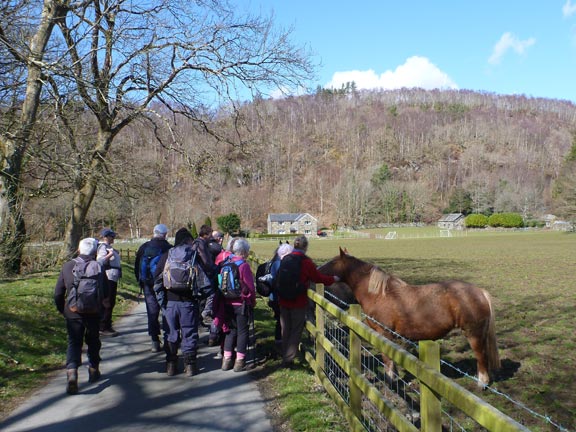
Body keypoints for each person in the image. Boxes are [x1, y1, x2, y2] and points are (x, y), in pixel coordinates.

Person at [54, 237, 108, 395]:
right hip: (93, 312)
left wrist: (62, 310)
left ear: (78, 249)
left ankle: (72, 372)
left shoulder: (68, 266)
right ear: (94, 252)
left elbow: (58, 293)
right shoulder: (98, 267)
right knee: (93, 340)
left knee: (74, 342)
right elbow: (104, 292)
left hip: (73, 311)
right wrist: (102, 310)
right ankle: (93, 369)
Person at [278, 235, 339, 368]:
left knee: (285, 329)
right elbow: (318, 278)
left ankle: (284, 355)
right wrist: (333, 279)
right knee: (296, 330)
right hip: (298, 301)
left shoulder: (285, 259)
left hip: (283, 300)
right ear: (306, 247)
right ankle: (288, 360)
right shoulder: (306, 262)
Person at [153, 228, 200, 377]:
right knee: (189, 333)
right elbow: (203, 282)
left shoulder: (167, 256)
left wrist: (162, 302)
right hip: (189, 303)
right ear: (187, 240)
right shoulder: (193, 256)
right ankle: (190, 366)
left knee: (170, 334)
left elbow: (157, 281)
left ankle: (171, 365)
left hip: (170, 303)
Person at [220, 238, 256, 372]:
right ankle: (239, 362)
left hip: (227, 302)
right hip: (241, 303)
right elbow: (250, 286)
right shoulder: (244, 265)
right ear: (244, 251)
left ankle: (226, 360)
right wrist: (252, 301)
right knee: (242, 332)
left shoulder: (226, 264)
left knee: (230, 331)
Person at [134, 224, 172, 352]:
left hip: (148, 284)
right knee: (167, 310)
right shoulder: (168, 248)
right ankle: (169, 338)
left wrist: (141, 282)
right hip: (164, 284)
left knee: (152, 312)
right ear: (165, 234)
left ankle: (154, 340)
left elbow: (137, 266)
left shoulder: (144, 247)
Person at [267, 242, 293, 357]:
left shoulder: (274, 263)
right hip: (280, 298)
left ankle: (280, 343)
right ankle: (284, 346)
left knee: (280, 320)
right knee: (283, 321)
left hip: (274, 297)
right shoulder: (281, 264)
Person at [96, 228, 122, 337]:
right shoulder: (103, 247)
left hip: (112, 277)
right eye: (112, 236)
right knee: (107, 302)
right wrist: (110, 255)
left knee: (111, 301)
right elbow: (100, 261)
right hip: (108, 277)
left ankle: (108, 325)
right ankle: (103, 327)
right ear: (106, 237)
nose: (114, 238)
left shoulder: (108, 247)